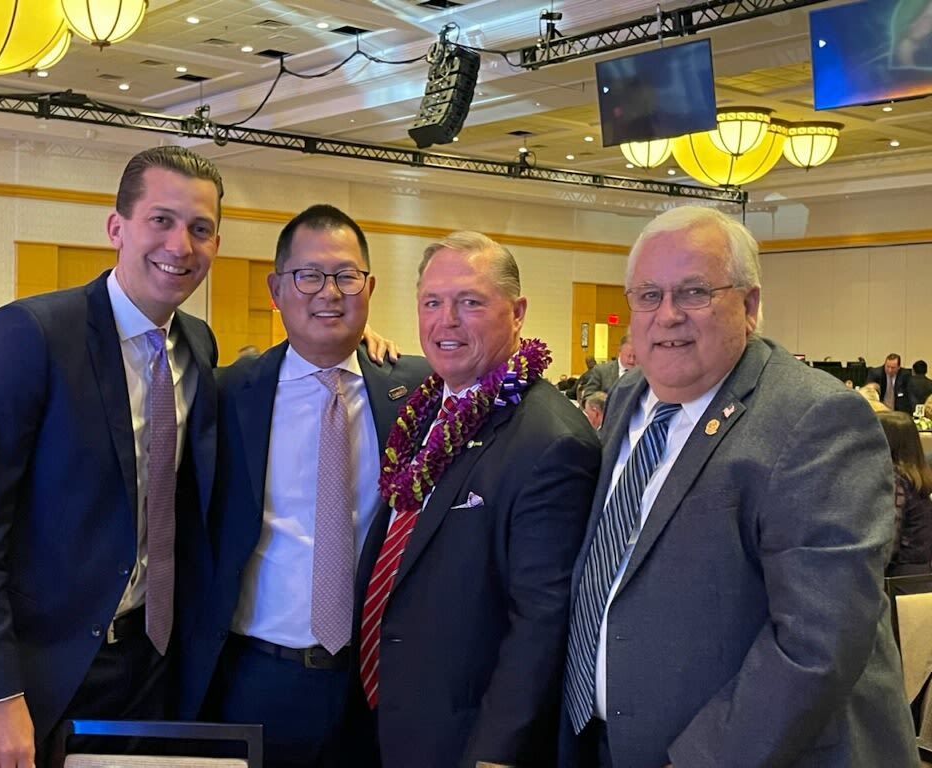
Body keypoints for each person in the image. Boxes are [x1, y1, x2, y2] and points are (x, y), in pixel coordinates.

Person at [561, 206, 917, 767]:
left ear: (749, 305)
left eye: (695, 292)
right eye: (648, 295)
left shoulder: (818, 419)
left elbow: (816, 644)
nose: (668, 315)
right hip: (611, 743)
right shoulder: (633, 396)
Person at [0, 146, 226, 768]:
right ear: (117, 227)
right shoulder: (30, 334)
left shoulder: (197, 344)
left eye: (200, 228)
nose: (182, 244)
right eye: (161, 221)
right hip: (35, 675)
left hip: (148, 667)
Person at [192, 204, 429, 768]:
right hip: (256, 678)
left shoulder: (415, 391)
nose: (329, 292)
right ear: (277, 289)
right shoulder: (227, 394)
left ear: (368, 288)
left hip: (376, 682)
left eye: (347, 277)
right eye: (309, 276)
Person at [356, 231, 601, 767]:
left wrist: (492, 756)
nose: (447, 321)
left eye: (470, 302)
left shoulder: (550, 441)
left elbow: (540, 624)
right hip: (389, 720)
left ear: (517, 313)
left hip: (465, 740)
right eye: (432, 303)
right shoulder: (424, 408)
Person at [877, 410, 932, 577]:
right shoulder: (918, 475)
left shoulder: (895, 480)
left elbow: (890, 539)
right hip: (921, 572)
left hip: (899, 575)